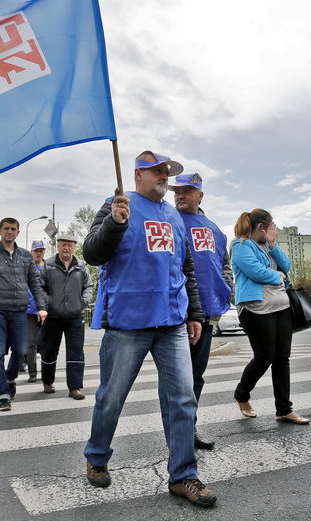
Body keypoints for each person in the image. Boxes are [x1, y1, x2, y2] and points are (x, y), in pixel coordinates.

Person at [82, 150, 216, 508]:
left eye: (167, 172)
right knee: (112, 396)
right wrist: (114, 222)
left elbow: (185, 267)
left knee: (183, 397)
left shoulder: (173, 215)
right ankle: (97, 457)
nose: (165, 176)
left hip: (171, 323)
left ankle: (183, 475)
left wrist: (195, 313)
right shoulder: (117, 204)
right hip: (128, 322)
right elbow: (92, 254)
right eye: (158, 171)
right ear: (139, 173)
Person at [171, 173, 234, 450]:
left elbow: (225, 265)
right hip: (175, 315)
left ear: (200, 195)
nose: (180, 195)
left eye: (187, 191)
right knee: (177, 379)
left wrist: (226, 288)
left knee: (195, 377)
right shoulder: (168, 221)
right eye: (178, 191)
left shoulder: (214, 229)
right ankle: (177, 435)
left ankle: (188, 431)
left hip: (206, 316)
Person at [231, 209, 309, 425]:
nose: (274, 229)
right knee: (264, 356)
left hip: (282, 307)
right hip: (255, 309)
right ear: (261, 227)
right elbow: (256, 271)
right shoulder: (240, 246)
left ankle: (284, 409)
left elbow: (288, 266)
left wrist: (274, 245)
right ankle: (241, 394)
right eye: (272, 227)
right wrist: (277, 276)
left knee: (282, 359)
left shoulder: (267, 245)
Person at [0, 218, 47, 412]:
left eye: (13, 229)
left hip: (19, 311)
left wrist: (41, 307)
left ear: (18, 232)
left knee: (21, 350)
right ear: (0, 231)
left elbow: (35, 284)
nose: (9, 232)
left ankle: (10, 377)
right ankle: (2, 395)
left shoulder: (25, 256)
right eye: (6, 228)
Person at [38, 232, 93, 397]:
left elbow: (88, 286)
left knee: (76, 351)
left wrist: (83, 301)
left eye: (70, 245)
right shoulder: (47, 265)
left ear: (75, 247)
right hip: (52, 316)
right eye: (63, 244)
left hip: (75, 316)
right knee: (49, 351)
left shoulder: (81, 266)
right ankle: (48, 382)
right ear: (58, 246)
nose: (66, 248)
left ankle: (75, 387)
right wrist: (47, 303)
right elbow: (39, 287)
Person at [25, 240, 47, 383]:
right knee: (30, 343)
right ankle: (32, 372)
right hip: (29, 311)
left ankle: (47, 372)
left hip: (46, 311)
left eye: (41, 251)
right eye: (36, 251)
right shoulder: (26, 267)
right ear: (32, 252)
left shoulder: (49, 267)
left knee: (46, 342)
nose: (38, 253)